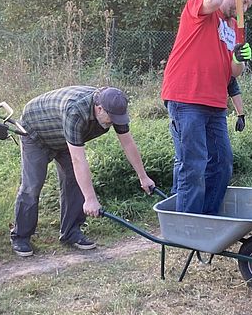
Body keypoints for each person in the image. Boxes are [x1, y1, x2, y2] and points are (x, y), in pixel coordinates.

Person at [161, 0, 252, 214]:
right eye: (244, 1)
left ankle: (207, 219)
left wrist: (240, 57)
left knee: (222, 163)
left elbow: (233, 73)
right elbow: (213, 0)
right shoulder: (200, 5)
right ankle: (186, 226)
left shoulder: (231, 28)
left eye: (249, 5)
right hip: (186, 98)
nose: (245, 9)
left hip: (215, 104)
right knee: (193, 165)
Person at [11, 86, 155, 257]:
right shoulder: (75, 111)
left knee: (73, 180)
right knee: (32, 185)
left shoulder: (114, 109)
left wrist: (143, 177)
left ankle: (70, 232)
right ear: (99, 108)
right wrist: (91, 199)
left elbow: (128, 144)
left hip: (64, 136)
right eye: (111, 119)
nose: (114, 122)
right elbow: (78, 159)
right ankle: (20, 237)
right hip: (36, 132)